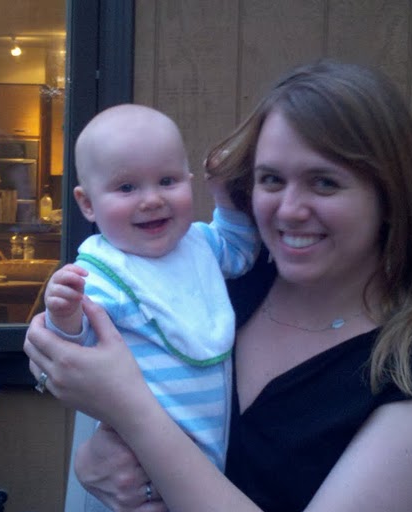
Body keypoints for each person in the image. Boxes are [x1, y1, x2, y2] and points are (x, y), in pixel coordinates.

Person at [24, 60, 412, 512]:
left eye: (324, 183)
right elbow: (102, 377)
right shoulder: (223, 286)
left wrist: (134, 415)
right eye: (271, 179)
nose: (289, 209)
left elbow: (128, 402)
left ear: (389, 197)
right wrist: (95, 461)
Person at [40, 104, 259, 479]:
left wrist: (224, 197)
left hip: (214, 451)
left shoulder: (200, 245)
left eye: (168, 181)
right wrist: (64, 315)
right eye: (127, 187)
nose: (153, 199)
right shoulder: (101, 273)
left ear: (189, 180)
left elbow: (239, 253)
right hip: (140, 458)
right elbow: (73, 352)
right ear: (88, 203)